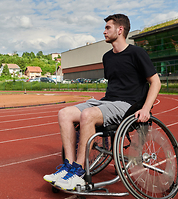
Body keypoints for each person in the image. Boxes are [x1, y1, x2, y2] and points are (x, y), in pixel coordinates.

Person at [43, 14, 161, 191]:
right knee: (64, 113)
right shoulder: (107, 57)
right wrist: (97, 102)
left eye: (108, 28)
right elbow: (115, 85)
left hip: (127, 105)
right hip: (107, 102)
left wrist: (145, 108)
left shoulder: (137, 53)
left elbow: (156, 82)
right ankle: (68, 165)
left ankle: (78, 171)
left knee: (87, 115)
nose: (104, 31)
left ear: (120, 30)